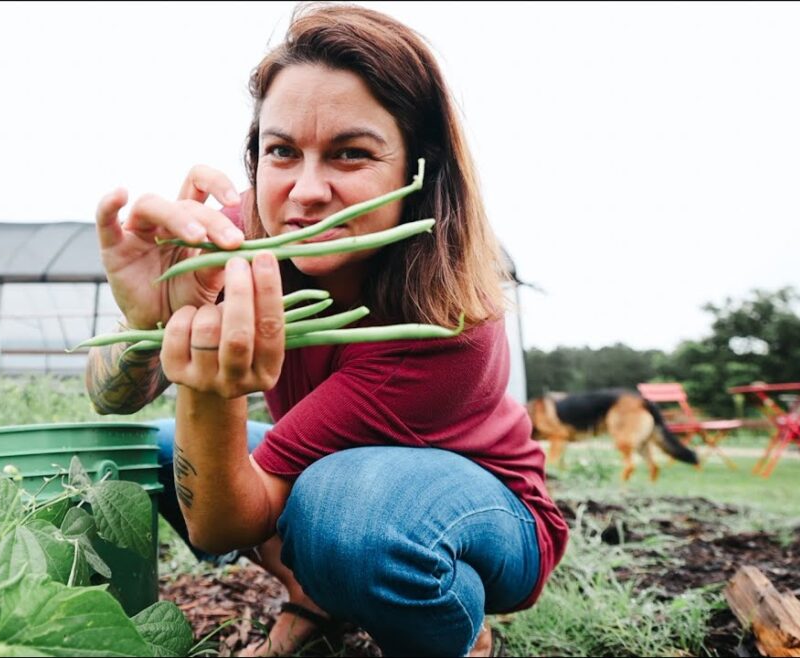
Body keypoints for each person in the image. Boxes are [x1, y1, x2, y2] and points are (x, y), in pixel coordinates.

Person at [85, 3, 568, 656]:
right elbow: (110, 399)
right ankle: (313, 599)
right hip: (338, 472)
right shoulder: (241, 238)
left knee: (347, 510)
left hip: (485, 511)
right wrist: (150, 319)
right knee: (162, 447)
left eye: (350, 154)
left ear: (419, 171)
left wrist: (212, 393)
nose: (307, 192)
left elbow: (223, 523)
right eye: (283, 151)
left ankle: (452, 631)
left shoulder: (446, 327)